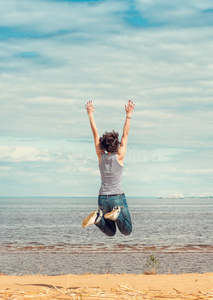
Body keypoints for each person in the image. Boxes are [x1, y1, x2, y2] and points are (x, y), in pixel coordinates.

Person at [82, 100, 135, 236]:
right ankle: (116, 215)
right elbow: (126, 134)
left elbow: (95, 135)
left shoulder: (101, 155)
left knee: (111, 232)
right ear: (117, 145)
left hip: (102, 197)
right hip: (117, 197)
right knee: (127, 230)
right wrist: (128, 115)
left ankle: (98, 219)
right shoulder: (120, 156)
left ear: (103, 145)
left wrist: (90, 114)